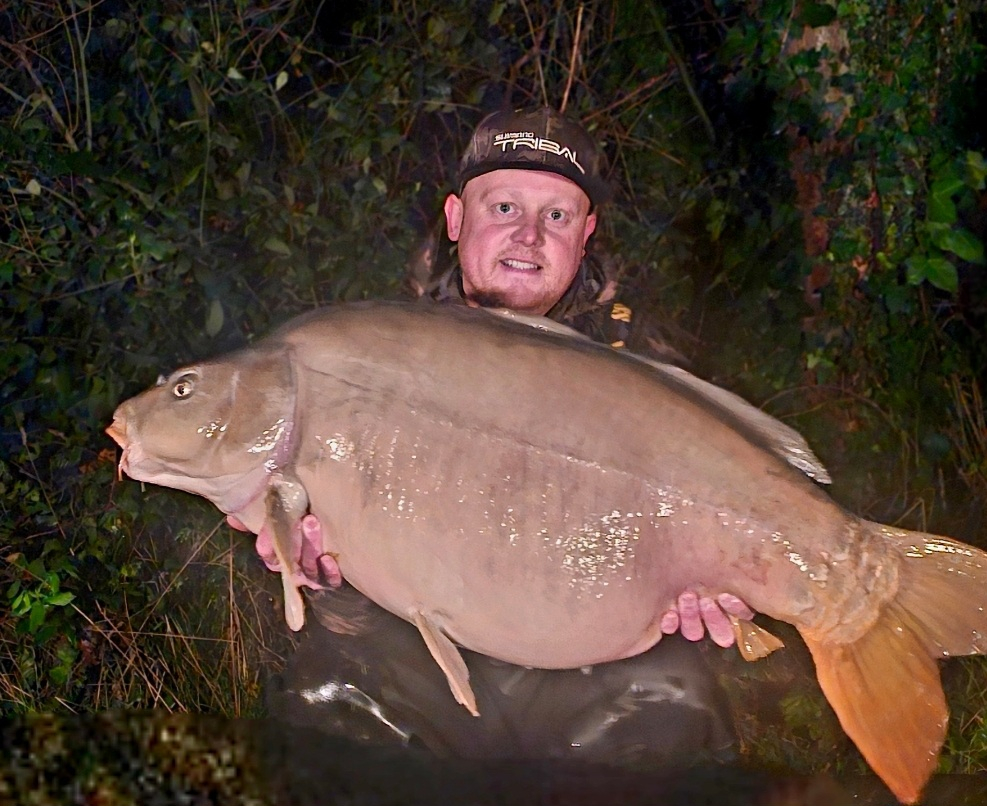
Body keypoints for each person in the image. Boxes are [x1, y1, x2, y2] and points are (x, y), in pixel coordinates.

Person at [255, 107, 762, 765]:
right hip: (410, 648)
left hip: (584, 656)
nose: (528, 235)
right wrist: (319, 571)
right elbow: (334, 567)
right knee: (327, 701)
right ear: (455, 218)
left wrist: (715, 595)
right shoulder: (373, 354)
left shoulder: (644, 370)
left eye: (557, 216)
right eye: (503, 208)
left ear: (586, 235)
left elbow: (708, 544)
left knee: (675, 705)